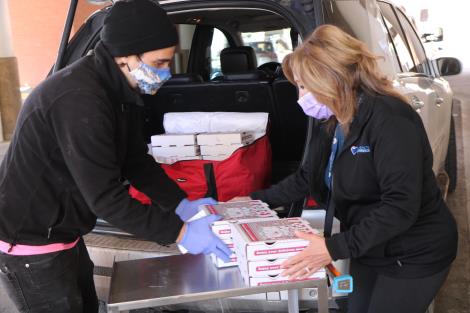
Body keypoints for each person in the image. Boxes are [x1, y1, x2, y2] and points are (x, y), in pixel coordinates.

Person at [0, 1, 230, 312]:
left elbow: (135, 160)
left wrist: (180, 204)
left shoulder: (120, 89)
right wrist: (181, 232)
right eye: (160, 63)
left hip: (64, 231)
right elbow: (107, 199)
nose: (165, 73)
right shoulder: (80, 100)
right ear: (125, 56)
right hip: (31, 243)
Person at [236, 25, 458, 313]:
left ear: (333, 79)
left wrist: (332, 248)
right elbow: (307, 176)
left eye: (305, 86)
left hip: (414, 251)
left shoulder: (390, 120)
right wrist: (254, 202)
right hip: (370, 246)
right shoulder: (332, 119)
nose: (300, 96)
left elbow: (400, 207)